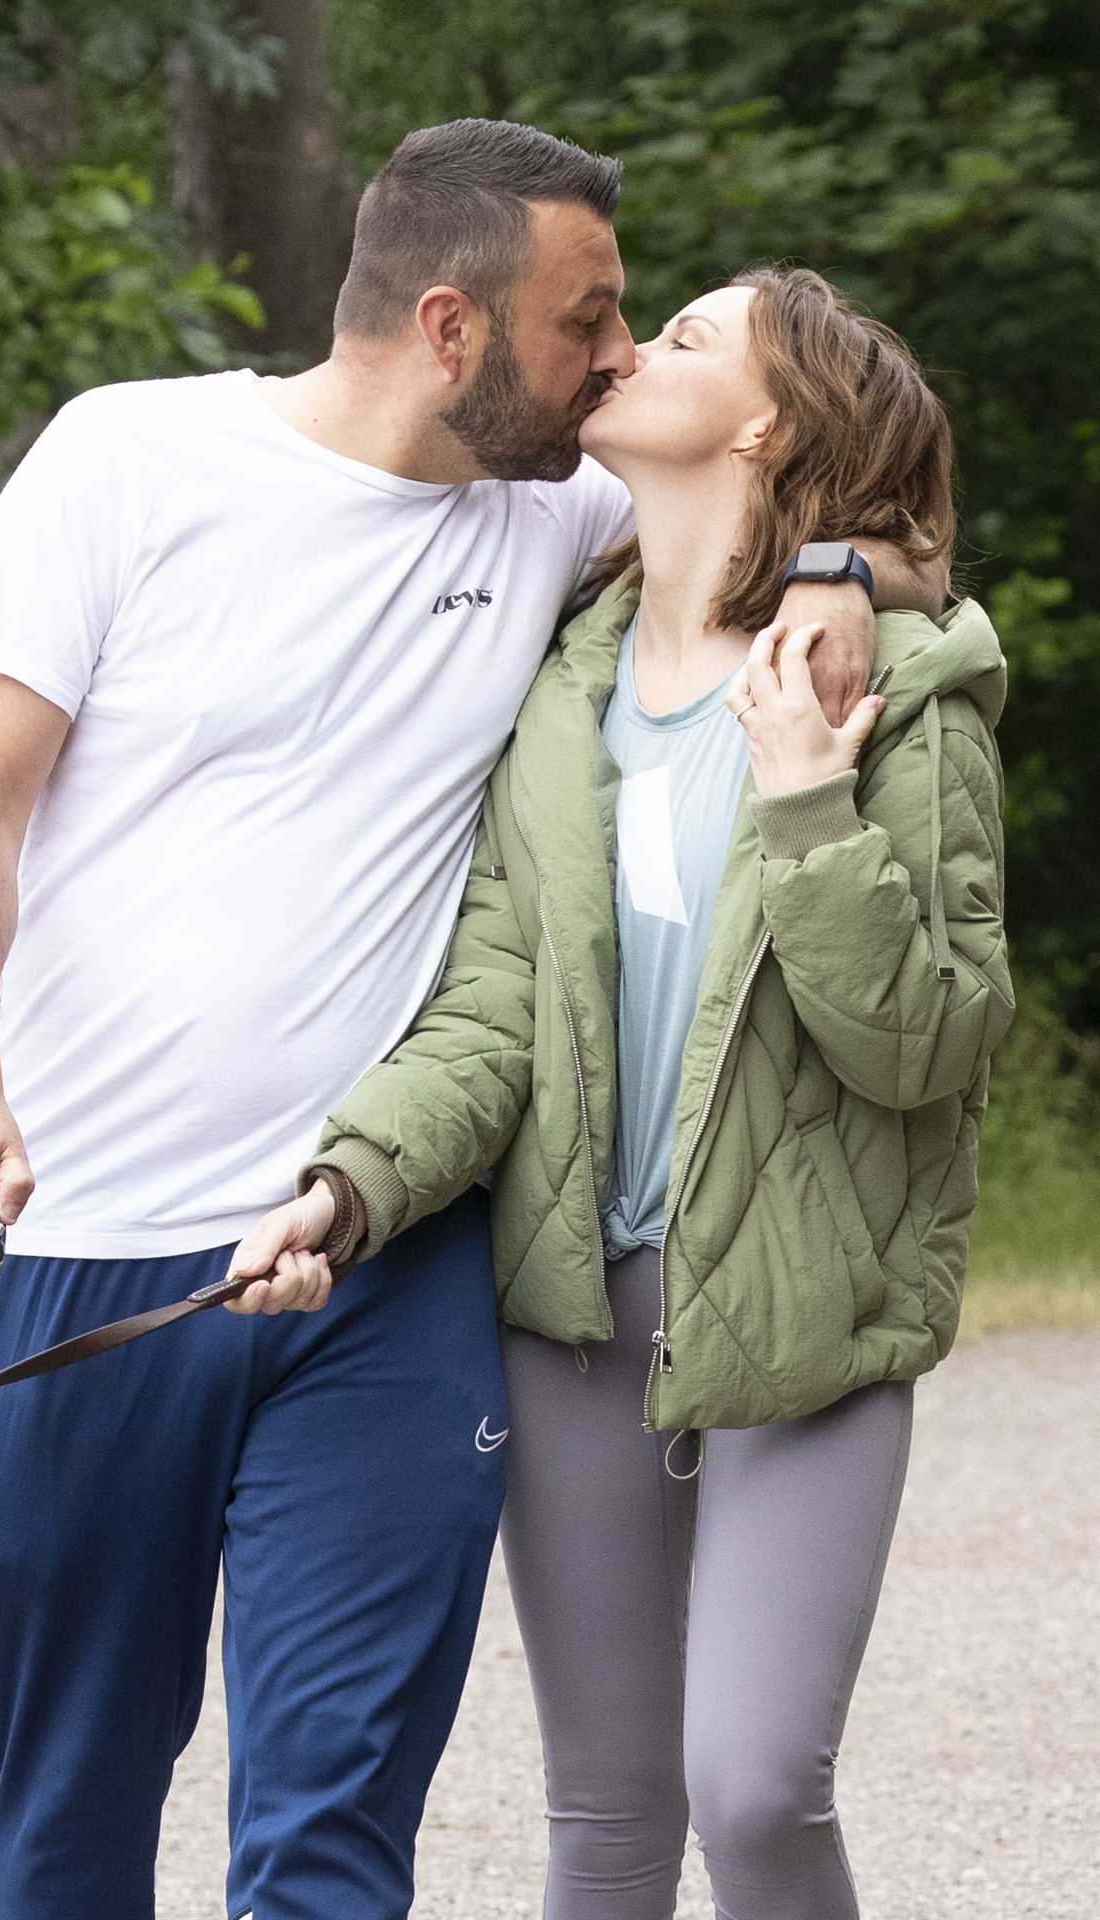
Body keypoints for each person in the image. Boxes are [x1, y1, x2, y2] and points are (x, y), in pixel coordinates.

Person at [0, 112, 938, 1919]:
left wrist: (845, 579)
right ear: (453, 329)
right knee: (70, 1817)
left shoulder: (558, 506)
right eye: (585, 319)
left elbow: (846, 500)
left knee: (330, 1835)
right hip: (91, 1257)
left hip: (391, 1274)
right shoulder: (121, 461)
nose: (616, 358)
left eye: (636, 328)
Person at [235, 266, 1014, 1919]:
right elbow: (498, 1007)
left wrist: (811, 800)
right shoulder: (563, 679)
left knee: (752, 1788)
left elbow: (928, 1040)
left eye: (686, 340)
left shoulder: (900, 688)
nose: (633, 348)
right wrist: (351, 1182)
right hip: (576, 1305)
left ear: (764, 422)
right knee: (603, 1814)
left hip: (805, 1298)